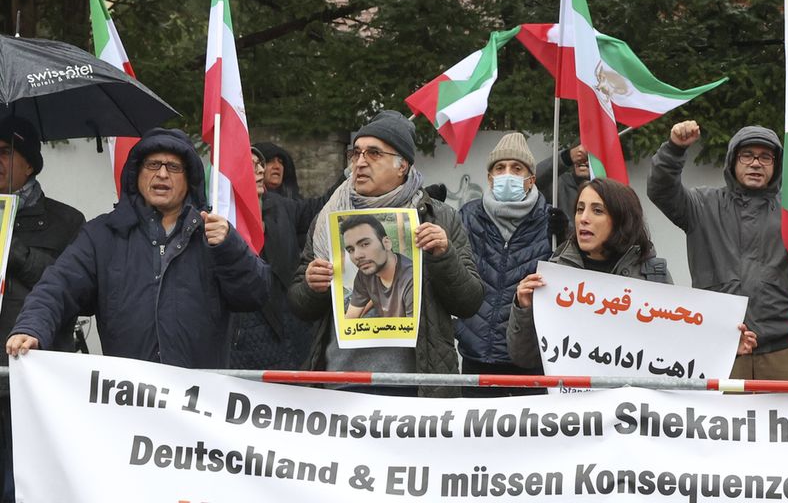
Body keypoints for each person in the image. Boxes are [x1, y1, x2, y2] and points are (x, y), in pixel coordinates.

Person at [6, 128, 270, 369]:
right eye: (153, 165)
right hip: (127, 402)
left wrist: (230, 248)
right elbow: (57, 286)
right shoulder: (102, 235)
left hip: (198, 407)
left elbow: (255, 294)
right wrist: (31, 328)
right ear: (137, 174)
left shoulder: (214, 235)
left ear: (189, 178)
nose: (162, 174)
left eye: (174, 167)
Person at [288, 110, 482, 397]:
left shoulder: (439, 218)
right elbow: (299, 304)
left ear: (402, 165)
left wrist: (444, 256)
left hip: (415, 389)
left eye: (374, 153)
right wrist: (311, 286)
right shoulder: (328, 217)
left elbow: (469, 302)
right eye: (356, 153)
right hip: (340, 386)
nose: (360, 162)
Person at [508, 178, 757, 369]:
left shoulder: (652, 274)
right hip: (576, 418)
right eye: (580, 209)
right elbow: (525, 358)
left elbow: (677, 345)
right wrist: (524, 308)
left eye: (597, 211)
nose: (583, 219)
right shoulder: (556, 275)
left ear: (620, 219)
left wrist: (725, 347)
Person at [647, 120, 788, 380]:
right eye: (747, 155)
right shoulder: (702, 205)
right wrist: (674, 150)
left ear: (776, 165)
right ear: (732, 161)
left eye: (766, 157)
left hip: (783, 350)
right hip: (717, 346)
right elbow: (661, 190)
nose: (756, 163)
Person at [0, 116, 84, 503]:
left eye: (4, 152)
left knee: (25, 487)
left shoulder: (67, 221)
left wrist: (11, 250)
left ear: (30, 162)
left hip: (34, 380)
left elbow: (72, 289)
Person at [458, 133, 552, 396]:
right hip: (477, 355)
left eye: (516, 168)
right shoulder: (467, 216)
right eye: (499, 168)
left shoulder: (551, 222)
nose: (506, 173)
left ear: (531, 179)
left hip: (529, 358)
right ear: (489, 177)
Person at [228, 148, 314, 370]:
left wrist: (348, 175)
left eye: (260, 164)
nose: (261, 169)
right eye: (252, 164)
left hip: (288, 331)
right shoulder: (216, 217)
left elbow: (316, 208)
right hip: (241, 342)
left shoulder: (280, 205)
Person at [340, 214, 413, 319]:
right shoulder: (365, 273)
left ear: (386, 243)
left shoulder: (411, 279)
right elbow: (350, 318)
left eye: (365, 244)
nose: (357, 256)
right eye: (351, 250)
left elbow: (414, 332)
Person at [536, 143, 588, 231]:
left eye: (588, 156)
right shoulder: (557, 182)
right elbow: (531, 181)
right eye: (581, 155)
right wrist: (566, 157)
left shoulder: (607, 190)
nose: (583, 160)